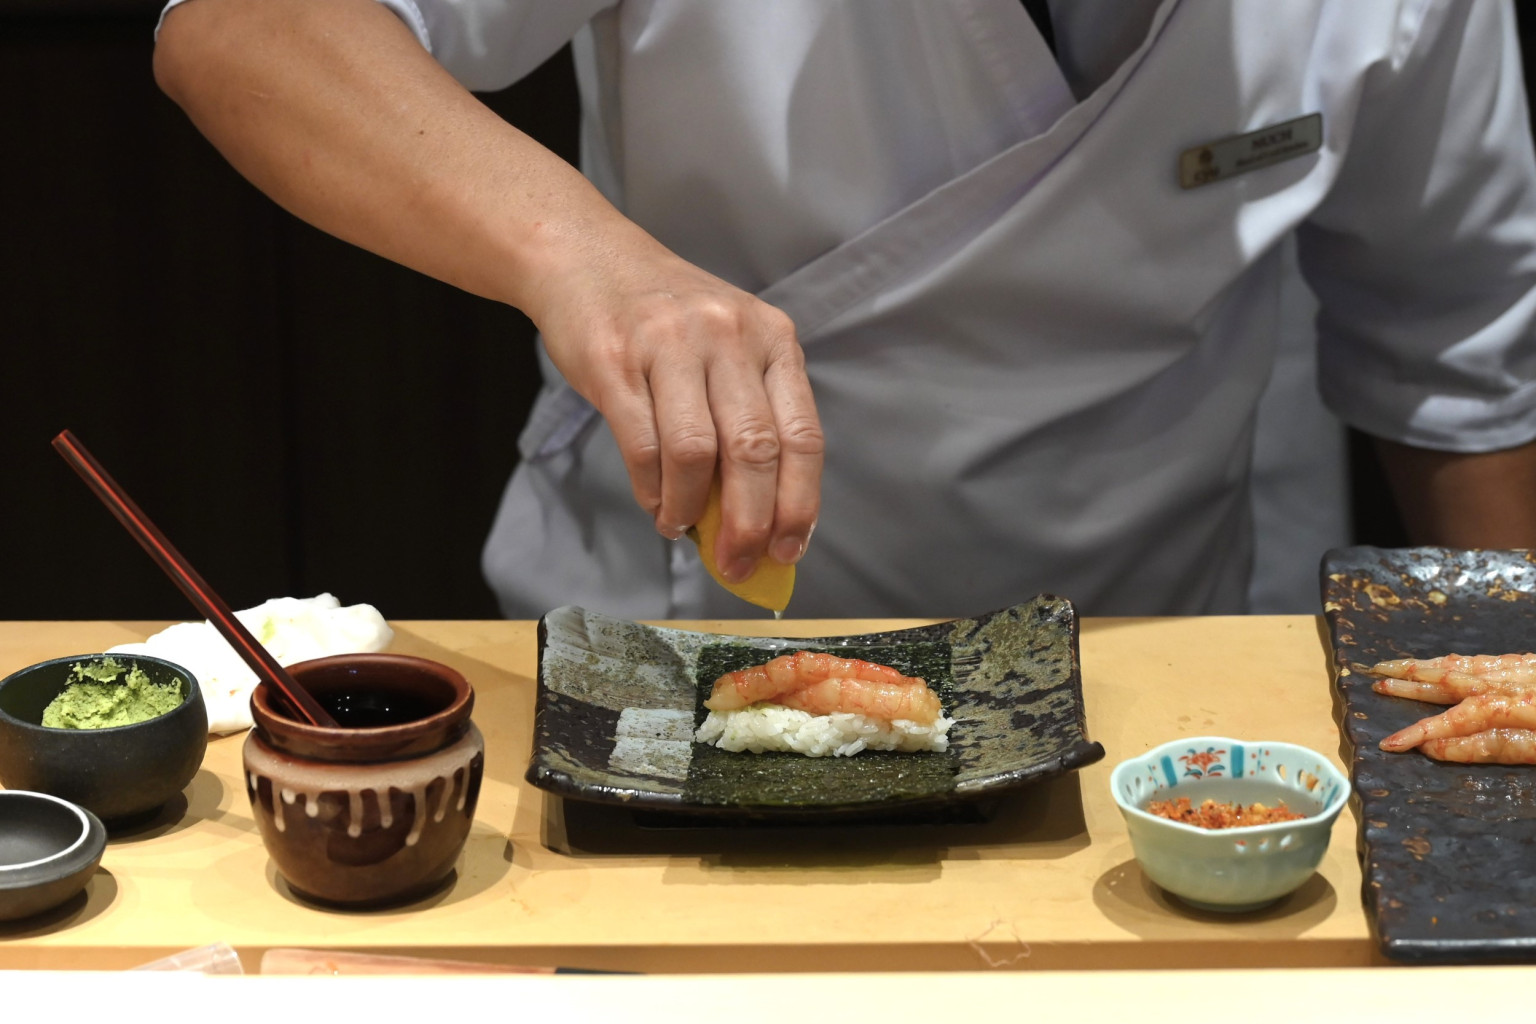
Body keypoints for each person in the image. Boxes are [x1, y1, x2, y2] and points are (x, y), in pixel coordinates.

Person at [153, 0, 1536, 619]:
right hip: (684, 644)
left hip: (1148, 668)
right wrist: (587, 259)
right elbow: (241, 26)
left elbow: (1462, 352)